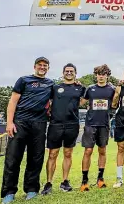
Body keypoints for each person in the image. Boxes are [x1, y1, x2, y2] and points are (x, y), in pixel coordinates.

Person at [1, 57, 54, 204]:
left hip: (39, 123)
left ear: (48, 68)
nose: (42, 67)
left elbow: (57, 99)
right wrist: (9, 122)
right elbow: (13, 101)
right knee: (13, 158)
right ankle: (9, 192)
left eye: (45, 66)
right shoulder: (23, 80)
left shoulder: (51, 84)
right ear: (35, 66)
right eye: (40, 65)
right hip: (20, 123)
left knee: (36, 157)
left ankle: (31, 189)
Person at [41, 63, 85, 195]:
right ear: (63, 73)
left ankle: (65, 181)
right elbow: (47, 102)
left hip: (72, 124)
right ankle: (48, 183)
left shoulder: (80, 88)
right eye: (67, 71)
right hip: (56, 124)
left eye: (72, 71)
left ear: (75, 73)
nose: (69, 73)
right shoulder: (55, 87)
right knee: (52, 154)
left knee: (68, 153)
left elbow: (83, 101)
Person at [79, 64, 116, 192]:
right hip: (90, 124)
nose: (101, 76)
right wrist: (78, 87)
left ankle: (100, 179)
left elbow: (116, 103)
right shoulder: (90, 89)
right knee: (88, 151)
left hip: (104, 124)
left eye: (103, 74)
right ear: (96, 75)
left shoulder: (112, 89)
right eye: (99, 74)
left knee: (102, 151)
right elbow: (81, 102)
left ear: (107, 75)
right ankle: (84, 181)